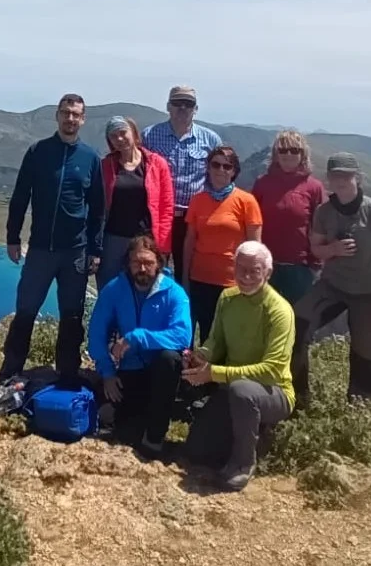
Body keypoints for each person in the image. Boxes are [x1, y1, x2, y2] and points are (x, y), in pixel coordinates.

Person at [0, 93, 105, 386]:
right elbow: (20, 197)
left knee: (71, 317)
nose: (70, 119)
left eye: (76, 114)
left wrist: (95, 250)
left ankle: (67, 374)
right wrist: (12, 236)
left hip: (76, 252)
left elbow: (98, 209)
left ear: (83, 120)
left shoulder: (90, 158)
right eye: (65, 113)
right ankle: (10, 371)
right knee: (26, 311)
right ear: (57, 116)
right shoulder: (38, 152)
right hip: (40, 250)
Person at [182, 241, 294, 491]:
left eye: (254, 270)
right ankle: (251, 433)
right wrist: (200, 356)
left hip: (273, 392)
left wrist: (214, 373)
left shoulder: (279, 311)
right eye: (240, 269)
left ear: (268, 273)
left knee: (243, 390)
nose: (245, 276)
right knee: (196, 452)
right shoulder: (228, 298)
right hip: (232, 388)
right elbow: (216, 342)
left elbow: (271, 370)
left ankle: (244, 463)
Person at [292, 153, 371, 408]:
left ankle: (359, 410)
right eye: (335, 175)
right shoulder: (324, 212)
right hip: (333, 286)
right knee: (295, 326)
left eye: (346, 175)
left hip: (369, 292)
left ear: (357, 177)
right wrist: (334, 250)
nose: (340, 180)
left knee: (366, 351)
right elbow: (316, 249)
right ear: (328, 178)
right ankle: (297, 398)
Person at [87, 235, 191, 457]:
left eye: (148, 263)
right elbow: (96, 333)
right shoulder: (114, 290)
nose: (142, 268)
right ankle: (136, 417)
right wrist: (106, 372)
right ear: (128, 264)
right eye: (136, 263)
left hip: (162, 372)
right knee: (125, 432)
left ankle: (154, 439)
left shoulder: (174, 293)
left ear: (159, 264)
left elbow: (182, 336)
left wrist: (138, 337)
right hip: (130, 369)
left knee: (168, 359)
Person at [181, 145, 262, 344]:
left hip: (231, 282)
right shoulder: (198, 201)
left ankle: (218, 376)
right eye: (216, 164)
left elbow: (255, 247)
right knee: (197, 334)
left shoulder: (247, 201)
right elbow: (190, 241)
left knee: (224, 338)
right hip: (200, 278)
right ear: (208, 168)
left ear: (234, 171)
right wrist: (184, 277)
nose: (221, 170)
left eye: (227, 166)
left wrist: (253, 282)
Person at [141, 86, 222, 284]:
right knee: (154, 270)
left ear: (196, 109)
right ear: (168, 106)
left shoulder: (210, 140)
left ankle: (188, 313)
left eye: (188, 104)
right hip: (158, 218)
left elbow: (219, 177)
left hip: (194, 220)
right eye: (177, 103)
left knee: (191, 275)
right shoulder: (149, 136)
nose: (183, 108)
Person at [251, 130, 328, 306]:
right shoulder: (262, 183)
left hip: (299, 268)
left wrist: (314, 264)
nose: (288, 154)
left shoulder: (314, 187)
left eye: (294, 150)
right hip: (265, 265)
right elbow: (251, 221)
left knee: (297, 322)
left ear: (303, 154)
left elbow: (321, 226)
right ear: (275, 154)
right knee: (265, 319)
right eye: (282, 150)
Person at [97, 116, 175, 292]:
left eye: (123, 133)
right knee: (110, 289)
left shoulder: (156, 164)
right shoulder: (105, 166)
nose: (119, 139)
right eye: (113, 136)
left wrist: (162, 245)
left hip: (145, 239)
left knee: (144, 288)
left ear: (133, 132)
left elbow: (166, 206)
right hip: (113, 240)